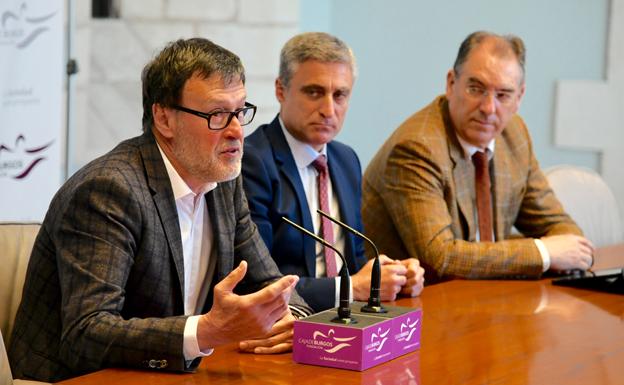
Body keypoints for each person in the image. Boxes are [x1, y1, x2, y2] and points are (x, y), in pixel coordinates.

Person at [8, 38, 312, 382]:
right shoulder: (110, 191)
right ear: (164, 118)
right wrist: (206, 331)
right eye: (217, 115)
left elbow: (271, 284)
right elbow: (86, 332)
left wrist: (292, 319)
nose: (236, 131)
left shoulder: (223, 182)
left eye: (240, 112)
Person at [362, 31, 595, 284]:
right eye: (476, 89)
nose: (488, 108)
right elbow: (441, 258)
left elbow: (559, 227)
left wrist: (569, 249)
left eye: (503, 94)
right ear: (451, 84)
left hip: (484, 297)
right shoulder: (417, 148)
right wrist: (544, 253)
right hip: (414, 306)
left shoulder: (515, 135)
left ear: (519, 97)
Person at [242, 32, 424, 312]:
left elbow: (354, 257)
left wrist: (392, 275)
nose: (329, 109)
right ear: (281, 90)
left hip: (345, 317)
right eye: (314, 92)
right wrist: (352, 287)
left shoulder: (345, 159)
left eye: (340, 95)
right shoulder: (253, 162)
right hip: (287, 321)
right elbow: (257, 282)